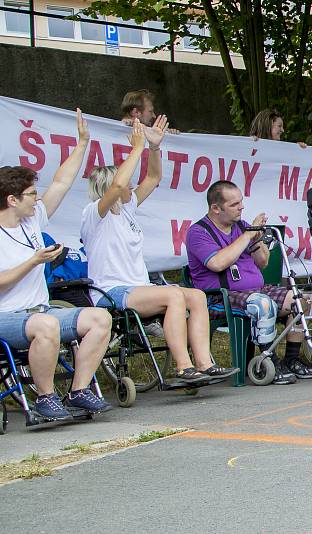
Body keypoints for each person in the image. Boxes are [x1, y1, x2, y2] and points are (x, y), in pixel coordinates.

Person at [81, 117, 237, 383]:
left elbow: (153, 177)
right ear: (110, 189)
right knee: (174, 296)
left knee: (196, 296)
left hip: (139, 288)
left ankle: (203, 363)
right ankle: (183, 367)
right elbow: (120, 184)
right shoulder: (95, 214)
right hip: (113, 291)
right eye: (125, 183)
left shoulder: (126, 210)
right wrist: (136, 147)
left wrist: (154, 147)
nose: (131, 186)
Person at [0, 109, 112, 419]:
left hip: (40, 311)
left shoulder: (32, 218)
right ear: (11, 199)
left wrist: (82, 143)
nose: (37, 198)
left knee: (99, 318)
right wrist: (34, 260)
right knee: (46, 324)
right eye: (31, 193)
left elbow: (62, 181)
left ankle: (78, 391)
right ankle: (45, 397)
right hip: (7, 316)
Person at [185, 180, 312, 384]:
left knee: (302, 299)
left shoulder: (242, 226)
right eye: (234, 204)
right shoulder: (198, 232)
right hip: (221, 296)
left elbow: (262, 262)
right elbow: (218, 263)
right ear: (215, 208)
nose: (241, 207)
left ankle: (291, 359)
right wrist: (247, 236)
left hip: (256, 288)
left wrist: (256, 238)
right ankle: (268, 361)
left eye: (241, 202)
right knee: (261, 304)